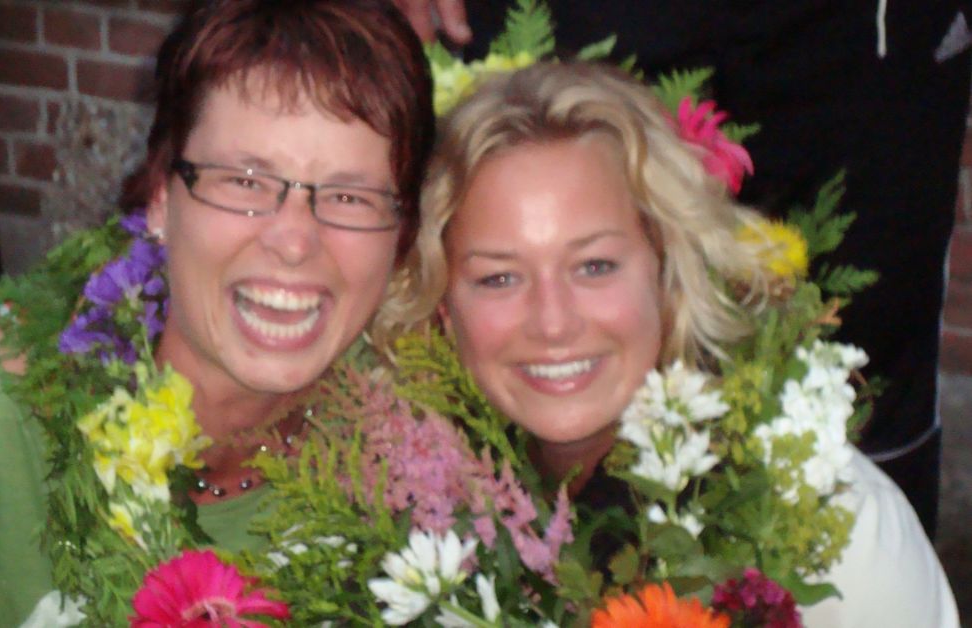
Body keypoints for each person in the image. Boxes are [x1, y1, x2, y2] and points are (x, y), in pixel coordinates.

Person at [0, 0, 433, 625]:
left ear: (401, 236)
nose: (294, 241)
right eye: (243, 181)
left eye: (350, 196)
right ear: (160, 197)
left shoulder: (410, 444)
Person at [381, 62, 959, 626]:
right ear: (442, 305)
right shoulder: (399, 516)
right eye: (499, 278)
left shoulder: (837, 529)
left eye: (595, 266)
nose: (552, 323)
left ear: (666, 272)